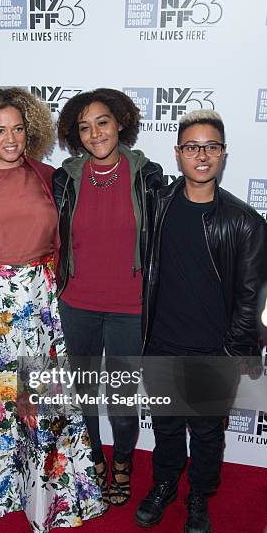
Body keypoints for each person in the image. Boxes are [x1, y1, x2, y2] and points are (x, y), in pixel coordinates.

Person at [0, 87, 105, 533]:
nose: (11, 138)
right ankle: (7, 487)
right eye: (0, 130)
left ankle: (52, 489)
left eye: (18, 128)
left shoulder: (49, 176)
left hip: (44, 303)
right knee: (4, 400)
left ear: (30, 130)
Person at [135, 109, 267, 533]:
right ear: (178, 154)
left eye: (211, 146)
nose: (202, 155)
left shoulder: (246, 222)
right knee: (167, 425)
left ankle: (199, 497)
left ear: (224, 154)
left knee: (208, 433)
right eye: (192, 147)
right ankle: (166, 483)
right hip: (160, 344)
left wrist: (233, 354)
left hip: (214, 350)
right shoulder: (157, 207)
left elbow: (253, 298)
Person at [53, 88, 164, 507]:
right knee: (82, 393)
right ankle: (93, 459)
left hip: (128, 308)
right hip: (76, 303)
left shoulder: (148, 176)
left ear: (120, 123)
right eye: (84, 126)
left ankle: (122, 463)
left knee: (120, 397)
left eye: (102, 122)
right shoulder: (65, 177)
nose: (95, 133)